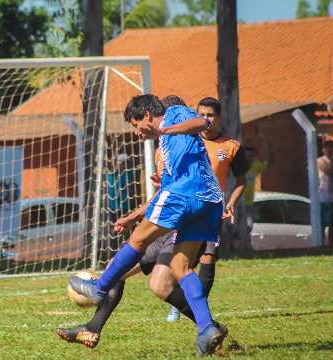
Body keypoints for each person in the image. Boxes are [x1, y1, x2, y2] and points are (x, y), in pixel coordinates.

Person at [57, 95, 226, 349]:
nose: (136, 132)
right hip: (209, 202)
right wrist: (135, 214)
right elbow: (166, 188)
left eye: (136, 124)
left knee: (138, 239)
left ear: (148, 115)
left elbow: (201, 123)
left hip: (187, 194)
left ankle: (99, 288)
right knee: (180, 267)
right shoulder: (166, 148)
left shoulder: (174, 114)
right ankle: (206, 329)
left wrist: (162, 128)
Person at [164, 96, 249, 321]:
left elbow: (241, 180)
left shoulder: (231, 146)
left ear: (219, 118)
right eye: (201, 114)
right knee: (182, 258)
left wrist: (230, 202)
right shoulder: (187, 140)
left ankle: (195, 305)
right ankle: (180, 302)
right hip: (185, 205)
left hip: (212, 208)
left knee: (208, 258)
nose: (205, 119)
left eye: (210, 115)